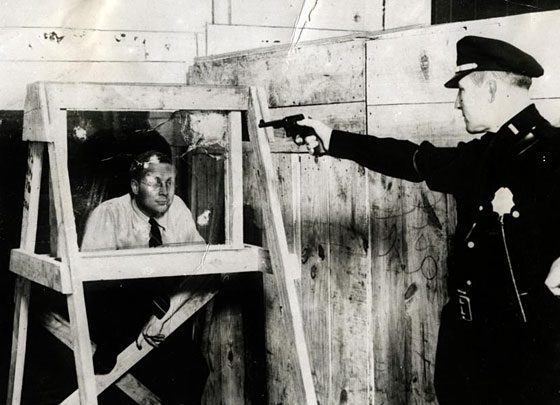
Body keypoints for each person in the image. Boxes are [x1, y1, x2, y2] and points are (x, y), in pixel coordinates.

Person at [299, 35, 560, 404]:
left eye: (462, 91)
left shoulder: (552, 151)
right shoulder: (484, 155)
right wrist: (332, 140)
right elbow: (414, 160)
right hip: (468, 346)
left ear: (489, 87)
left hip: (525, 354)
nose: (456, 103)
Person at [82, 149, 210, 404]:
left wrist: (161, 316)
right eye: (155, 183)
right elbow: (92, 288)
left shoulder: (179, 210)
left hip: (163, 310)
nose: (165, 191)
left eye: (170, 182)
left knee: (194, 369)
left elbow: (203, 267)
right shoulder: (108, 214)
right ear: (134, 186)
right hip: (116, 317)